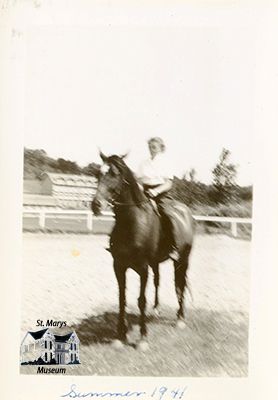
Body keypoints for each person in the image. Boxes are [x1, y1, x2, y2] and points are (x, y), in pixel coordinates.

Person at [136, 137, 179, 261]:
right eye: (150, 147)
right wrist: (140, 190)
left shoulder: (166, 162)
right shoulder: (143, 163)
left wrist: (155, 191)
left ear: (161, 148)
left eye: (154, 147)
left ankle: (173, 247)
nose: (151, 149)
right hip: (143, 192)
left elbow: (168, 183)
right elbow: (138, 180)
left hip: (161, 193)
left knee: (167, 213)